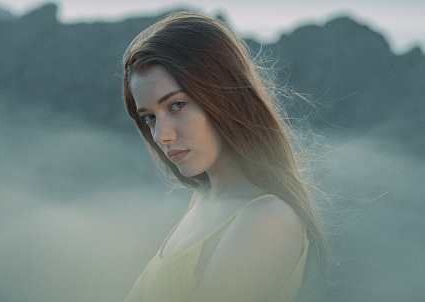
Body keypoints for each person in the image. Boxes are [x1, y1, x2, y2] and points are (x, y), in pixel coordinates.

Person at [122, 11, 329, 302]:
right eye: (149, 118)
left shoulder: (268, 220)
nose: (160, 135)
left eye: (177, 105)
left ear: (223, 96)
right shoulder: (205, 198)